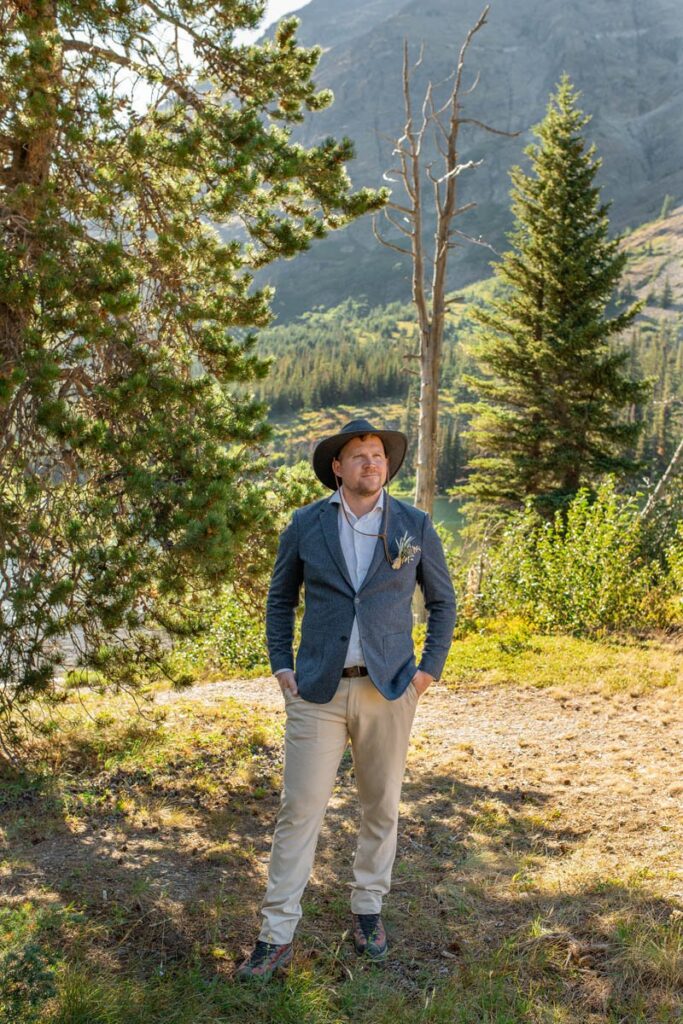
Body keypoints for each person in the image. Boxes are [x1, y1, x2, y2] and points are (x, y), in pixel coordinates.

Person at [236, 418, 456, 980]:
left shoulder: (414, 525)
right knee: (300, 810)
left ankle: (367, 909)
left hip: (389, 690)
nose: (371, 464)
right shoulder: (305, 523)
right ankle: (276, 933)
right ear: (338, 467)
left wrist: (425, 675)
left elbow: (443, 604)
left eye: (378, 455)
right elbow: (279, 599)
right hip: (317, 691)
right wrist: (282, 665)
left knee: (380, 806)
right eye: (358, 455)